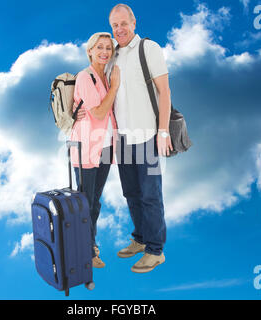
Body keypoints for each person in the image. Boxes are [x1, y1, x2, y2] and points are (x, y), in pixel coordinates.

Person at [108, 3, 172, 273]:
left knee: (150, 195)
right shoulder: (112, 56)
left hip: (148, 136)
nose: (119, 29)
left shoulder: (149, 48)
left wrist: (163, 130)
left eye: (123, 23)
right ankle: (140, 238)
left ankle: (155, 250)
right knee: (131, 193)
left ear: (134, 23)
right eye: (114, 25)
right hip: (122, 139)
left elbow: (165, 92)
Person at [70, 32, 120, 268]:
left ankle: (89, 243)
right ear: (90, 50)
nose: (104, 52)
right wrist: (115, 88)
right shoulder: (85, 77)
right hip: (87, 148)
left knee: (95, 201)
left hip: (106, 146)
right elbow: (99, 112)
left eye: (108, 48)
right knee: (86, 202)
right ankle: (86, 251)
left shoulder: (106, 76)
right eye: (99, 47)